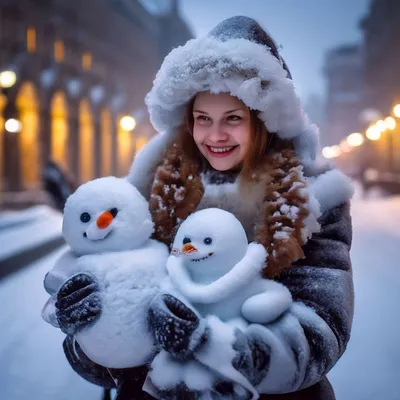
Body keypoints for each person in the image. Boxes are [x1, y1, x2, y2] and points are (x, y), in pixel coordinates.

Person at [52, 16, 354, 400]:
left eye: (233, 119)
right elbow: (111, 356)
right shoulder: (147, 195)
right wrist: (88, 331)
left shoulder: (313, 199)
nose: (215, 135)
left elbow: (320, 331)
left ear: (264, 120)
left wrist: (211, 343)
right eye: (203, 119)